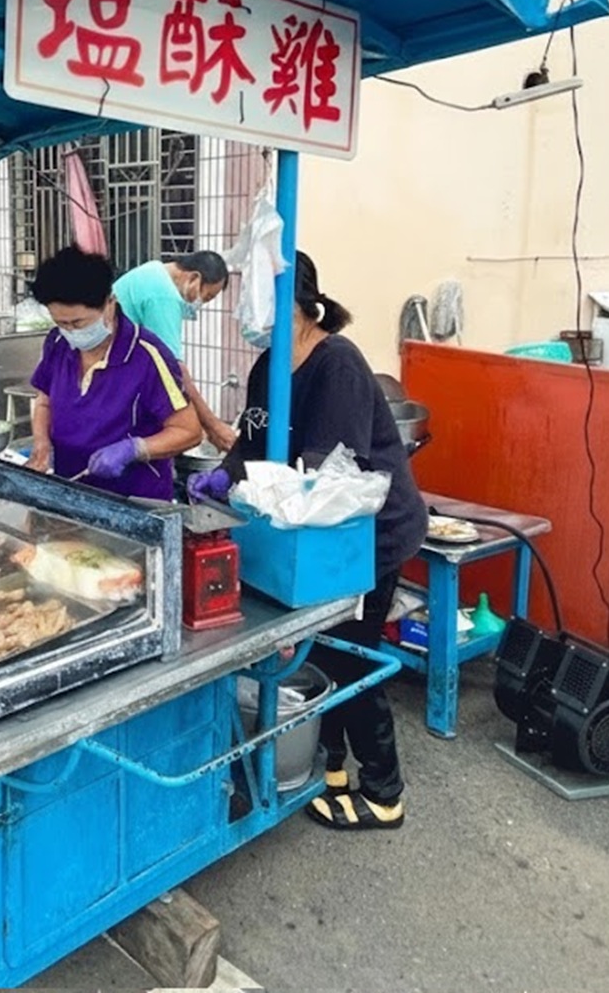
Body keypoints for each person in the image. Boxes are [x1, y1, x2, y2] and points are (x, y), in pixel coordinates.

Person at [190, 252, 427, 830]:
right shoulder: (267, 367)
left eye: (270, 308)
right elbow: (250, 444)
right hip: (308, 535)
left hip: (365, 534)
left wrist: (266, 499)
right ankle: (337, 768)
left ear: (301, 307)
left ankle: (384, 792)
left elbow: (329, 470)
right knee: (323, 648)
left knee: (353, 653)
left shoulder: (337, 365)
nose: (258, 322)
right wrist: (223, 475)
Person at [26, 245, 203, 500]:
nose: (70, 331)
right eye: (61, 323)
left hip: (134, 504)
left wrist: (135, 449)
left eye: (78, 323)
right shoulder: (57, 342)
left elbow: (189, 432)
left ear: (110, 304)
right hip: (70, 492)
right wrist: (42, 444)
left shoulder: (148, 356)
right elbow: (44, 402)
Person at [113, 251, 237, 451]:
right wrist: (212, 425)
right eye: (207, 297)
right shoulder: (163, 296)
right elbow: (173, 369)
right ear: (194, 278)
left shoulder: (154, 271)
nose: (201, 305)